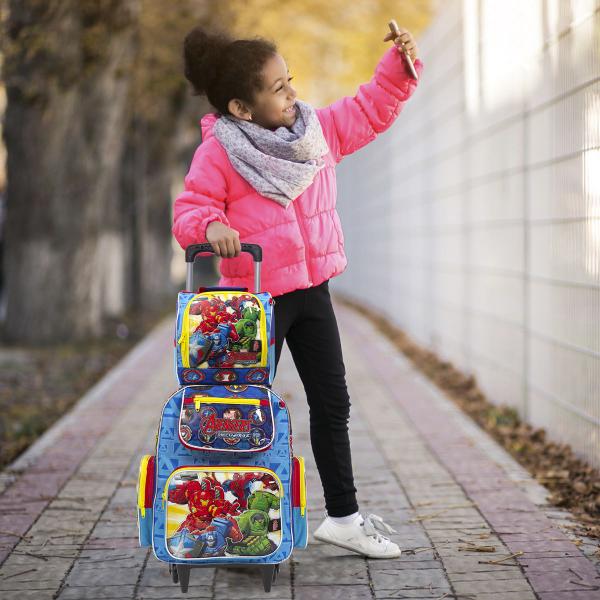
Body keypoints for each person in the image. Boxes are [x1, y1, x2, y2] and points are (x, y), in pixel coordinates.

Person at [172, 23, 423, 559]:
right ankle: (234, 528)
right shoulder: (220, 152)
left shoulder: (314, 132)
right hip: (253, 305)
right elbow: (191, 207)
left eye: (290, 81)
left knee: (333, 403)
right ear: (242, 107)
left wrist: (397, 68)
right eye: (279, 88)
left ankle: (344, 517)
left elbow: (367, 109)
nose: (292, 94)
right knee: (237, 414)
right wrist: (209, 227)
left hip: (312, 293)